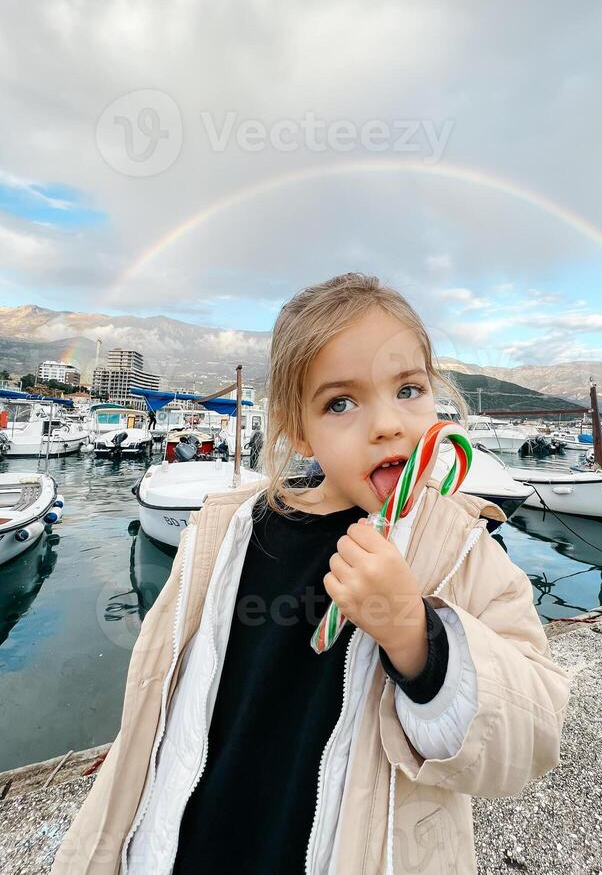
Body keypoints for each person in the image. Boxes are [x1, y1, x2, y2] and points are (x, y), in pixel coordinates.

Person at [51, 273, 570, 875]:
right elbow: (157, 693)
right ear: (299, 429)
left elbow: (532, 737)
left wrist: (413, 633)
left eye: (409, 389)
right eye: (340, 403)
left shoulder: (461, 549)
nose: (387, 424)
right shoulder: (224, 535)